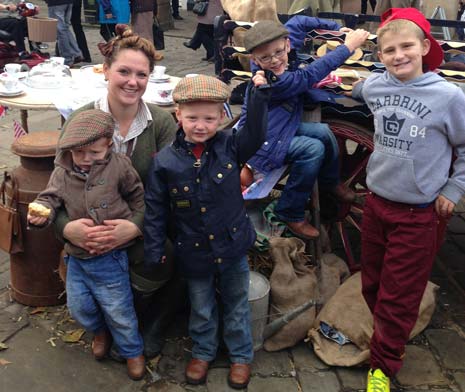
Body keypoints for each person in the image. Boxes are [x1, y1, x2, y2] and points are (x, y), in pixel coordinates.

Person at [351, 8, 465, 392]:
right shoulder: (377, 86)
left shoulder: (448, 96)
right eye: (388, 50)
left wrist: (453, 189)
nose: (398, 56)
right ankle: (386, 333)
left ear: (425, 47)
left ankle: (383, 364)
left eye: (406, 47)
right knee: (373, 282)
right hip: (376, 203)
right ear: (378, 56)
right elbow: (359, 89)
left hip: (418, 213)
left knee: (399, 293)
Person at [55, 25, 179, 359]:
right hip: (88, 228)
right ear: (106, 70)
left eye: (142, 74)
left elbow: (167, 189)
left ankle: (141, 318)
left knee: (165, 252)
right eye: (124, 71)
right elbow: (56, 187)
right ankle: (104, 327)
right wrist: (67, 228)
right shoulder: (81, 120)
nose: (132, 81)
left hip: (139, 222)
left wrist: (136, 225)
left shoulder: (161, 123)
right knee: (91, 272)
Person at [143, 74, 271, 389]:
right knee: (201, 306)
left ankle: (241, 355)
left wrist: (258, 94)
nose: (201, 125)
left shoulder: (231, 146)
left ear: (222, 117)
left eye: (209, 118)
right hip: (193, 250)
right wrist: (155, 248)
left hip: (232, 246)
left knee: (237, 302)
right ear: (178, 115)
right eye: (192, 118)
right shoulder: (164, 162)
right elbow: (156, 209)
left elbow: (255, 132)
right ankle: (203, 351)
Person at [28, 109, 146, 380]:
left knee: (119, 309)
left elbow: (138, 198)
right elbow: (49, 200)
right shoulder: (63, 172)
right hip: (76, 257)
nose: (86, 159)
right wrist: (39, 213)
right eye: (79, 152)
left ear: (108, 144)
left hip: (110, 256)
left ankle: (132, 350)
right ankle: (99, 331)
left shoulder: (120, 166)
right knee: (79, 307)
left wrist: (134, 226)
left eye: (94, 152)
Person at [237, 19, 369, 239]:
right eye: (265, 57)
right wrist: (348, 47)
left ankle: (331, 183)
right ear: (255, 60)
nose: (274, 60)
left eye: (279, 51)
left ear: (287, 44)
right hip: (261, 141)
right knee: (313, 149)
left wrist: (336, 28)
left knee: (324, 133)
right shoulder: (272, 81)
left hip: (280, 128)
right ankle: (290, 210)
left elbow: (298, 22)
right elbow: (310, 75)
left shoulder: (281, 53)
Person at [46, 0, 83, 66]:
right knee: (64, 29)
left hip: (56, 4)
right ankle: (76, 54)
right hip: (68, 2)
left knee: (60, 31)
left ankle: (67, 59)